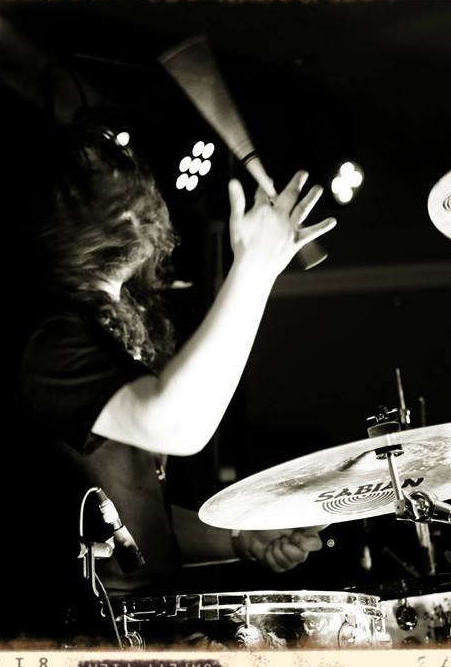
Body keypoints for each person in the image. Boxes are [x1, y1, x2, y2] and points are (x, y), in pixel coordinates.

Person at [19, 123, 337, 603]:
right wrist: (255, 266)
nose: (139, 201)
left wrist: (240, 538)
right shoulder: (45, 340)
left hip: (135, 626)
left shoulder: (91, 335)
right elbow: (175, 426)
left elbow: (131, 528)